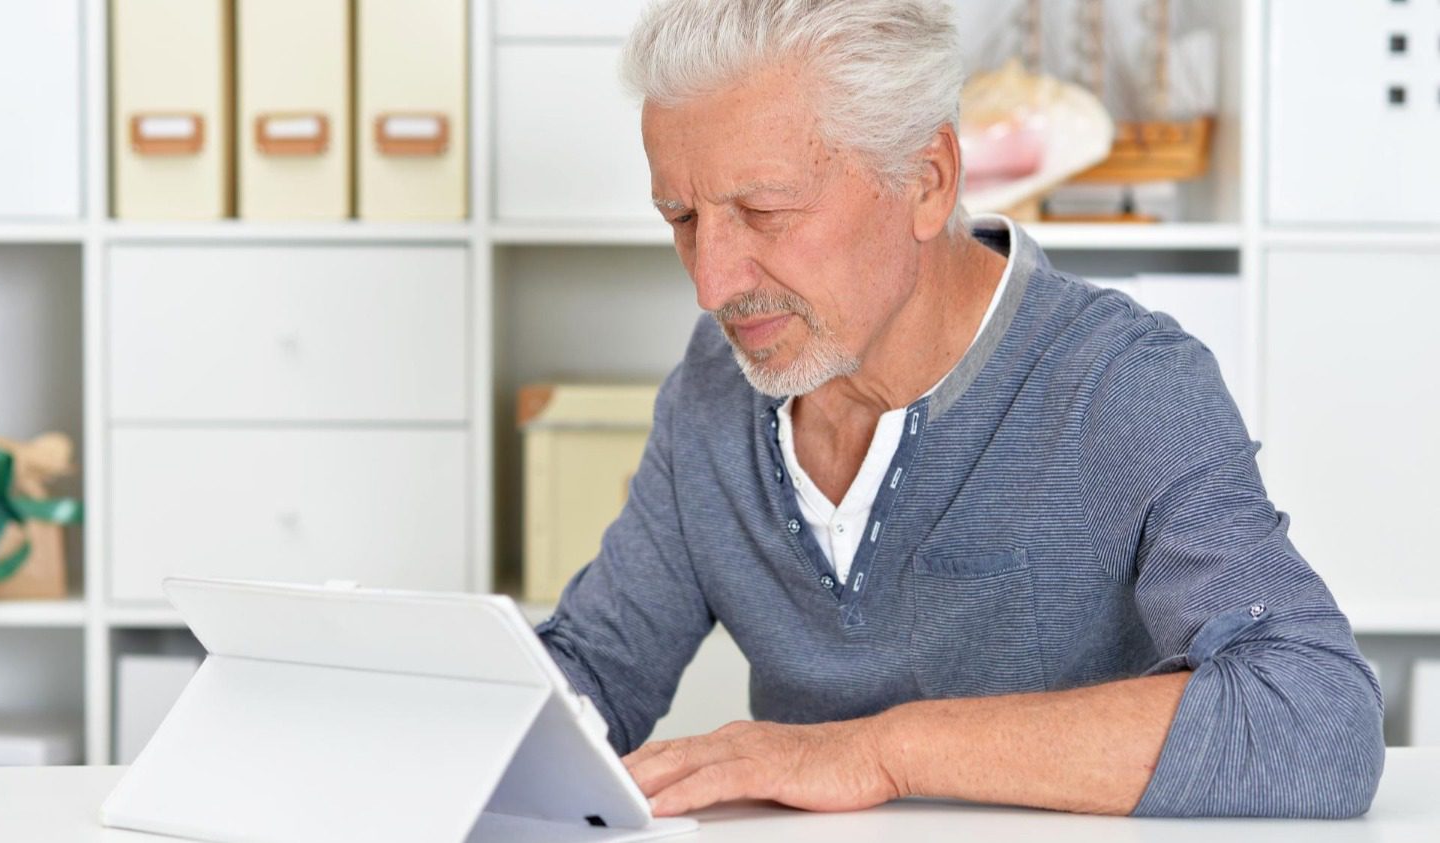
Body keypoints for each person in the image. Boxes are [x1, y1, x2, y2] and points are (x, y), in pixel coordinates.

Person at [536, 0, 1383, 819]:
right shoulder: (714, 390)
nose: (709, 281)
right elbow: (591, 674)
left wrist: (877, 750)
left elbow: (1315, 715)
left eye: (764, 211)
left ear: (926, 182)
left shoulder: (1122, 383)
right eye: (681, 217)